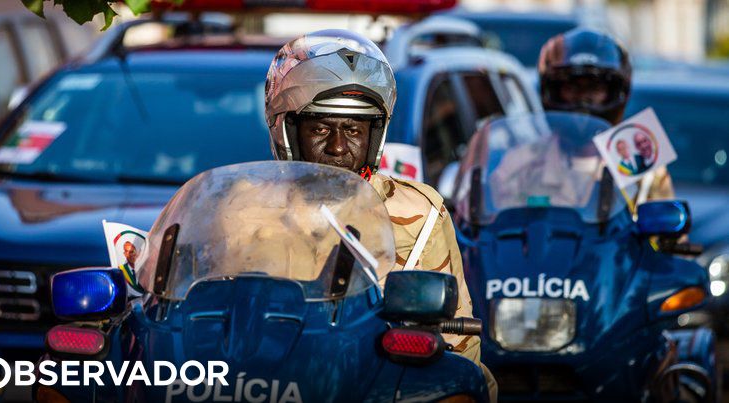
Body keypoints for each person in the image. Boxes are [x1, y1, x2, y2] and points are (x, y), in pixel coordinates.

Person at [264, 30, 497, 400]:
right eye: (321, 128)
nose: (339, 147)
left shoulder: (418, 212)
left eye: (354, 130)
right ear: (287, 130)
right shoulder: (243, 211)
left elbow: (457, 348)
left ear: (375, 136)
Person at [537, 28, 674, 205]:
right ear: (554, 90)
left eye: (594, 89)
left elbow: (667, 227)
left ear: (614, 92)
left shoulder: (644, 166)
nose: (583, 98)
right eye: (572, 88)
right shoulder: (523, 162)